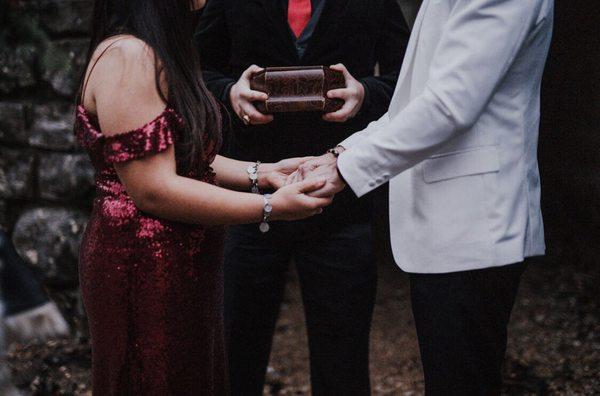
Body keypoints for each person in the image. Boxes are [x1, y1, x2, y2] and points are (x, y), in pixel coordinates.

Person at [292, 0, 554, 394]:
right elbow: (414, 102)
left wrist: (344, 169)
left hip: (473, 222)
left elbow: (449, 105)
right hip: (450, 225)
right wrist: (341, 153)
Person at [75, 0, 333, 394]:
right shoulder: (129, 57)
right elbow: (154, 189)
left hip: (181, 260)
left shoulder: (159, 49)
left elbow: (186, 157)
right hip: (143, 263)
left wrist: (264, 173)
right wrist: (270, 208)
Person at [196, 1, 409, 394]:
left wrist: (366, 92)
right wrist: (230, 93)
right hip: (248, 200)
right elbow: (195, 70)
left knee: (343, 365)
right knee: (231, 358)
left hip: (341, 205)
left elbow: (410, 78)